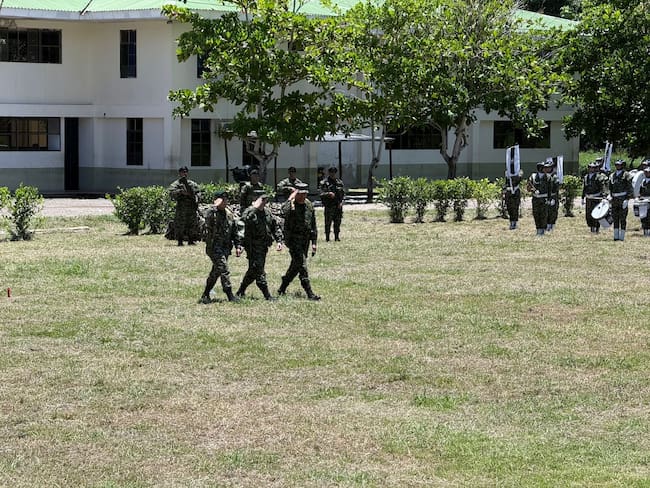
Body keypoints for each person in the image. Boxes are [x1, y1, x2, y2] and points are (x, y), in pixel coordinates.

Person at [198, 191, 244, 304]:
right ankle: (230, 295)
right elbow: (205, 219)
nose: (225, 202)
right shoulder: (211, 212)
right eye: (223, 200)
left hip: (225, 248)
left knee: (216, 272)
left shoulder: (229, 214)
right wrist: (215, 206)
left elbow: (234, 231)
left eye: (226, 200)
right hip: (214, 247)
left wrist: (238, 245)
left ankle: (205, 294)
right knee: (224, 269)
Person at [236, 194, 284, 300]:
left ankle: (240, 291)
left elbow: (274, 226)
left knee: (253, 271)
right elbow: (242, 226)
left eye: (265, 200)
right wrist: (239, 245)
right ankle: (267, 296)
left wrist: (279, 241)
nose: (264, 202)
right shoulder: (249, 212)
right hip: (252, 247)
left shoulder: (267, 212)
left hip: (263, 247)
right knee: (259, 271)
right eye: (262, 200)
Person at [277, 183, 320, 300]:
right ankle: (310, 293)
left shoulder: (309, 205)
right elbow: (282, 212)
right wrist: (290, 199)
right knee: (302, 265)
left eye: (305, 194)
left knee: (296, 266)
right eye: (300, 194)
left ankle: (282, 287)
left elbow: (313, 224)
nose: (303, 196)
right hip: (293, 241)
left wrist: (314, 242)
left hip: (305, 241)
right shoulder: (290, 206)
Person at [168, 166, 201, 246]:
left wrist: (197, 197)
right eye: (183, 172)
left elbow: (199, 192)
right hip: (181, 208)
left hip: (191, 207)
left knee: (192, 223)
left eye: (186, 172)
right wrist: (180, 192)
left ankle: (191, 240)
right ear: (179, 173)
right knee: (180, 224)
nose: (184, 173)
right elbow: (171, 193)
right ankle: (180, 241)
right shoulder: (176, 184)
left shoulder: (192, 183)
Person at [609, 159, 634, 241]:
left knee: (623, 218)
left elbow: (630, 188)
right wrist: (609, 195)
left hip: (623, 198)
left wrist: (627, 199)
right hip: (614, 199)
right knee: (615, 217)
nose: (617, 166)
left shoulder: (626, 175)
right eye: (616, 165)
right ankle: (616, 236)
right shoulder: (612, 175)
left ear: (622, 165)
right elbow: (610, 187)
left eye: (619, 165)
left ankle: (622, 236)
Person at [582, 161, 609, 233]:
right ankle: (591, 228)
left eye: (593, 168)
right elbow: (584, 188)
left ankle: (596, 228)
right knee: (588, 214)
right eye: (590, 168)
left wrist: (604, 196)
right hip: (588, 198)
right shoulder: (586, 177)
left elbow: (602, 187)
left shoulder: (599, 177)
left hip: (596, 198)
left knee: (596, 213)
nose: (591, 169)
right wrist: (582, 197)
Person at [319, 166, 345, 241]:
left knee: (337, 222)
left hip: (338, 206)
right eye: (331, 172)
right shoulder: (324, 183)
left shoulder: (339, 182)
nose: (333, 174)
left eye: (334, 172)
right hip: (329, 206)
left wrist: (342, 202)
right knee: (328, 222)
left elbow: (343, 194)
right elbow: (321, 194)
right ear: (329, 173)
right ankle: (327, 237)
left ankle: (337, 237)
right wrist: (328, 194)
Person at [527, 162, 552, 236]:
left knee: (544, 214)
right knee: (536, 214)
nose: (546, 169)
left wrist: (549, 199)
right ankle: (538, 229)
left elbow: (550, 190)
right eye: (544, 168)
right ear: (540, 168)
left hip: (544, 199)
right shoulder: (533, 176)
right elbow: (528, 188)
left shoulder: (548, 177)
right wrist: (533, 190)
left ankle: (542, 230)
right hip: (536, 199)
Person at [545, 160, 561, 232]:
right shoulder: (544, 176)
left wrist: (553, 197)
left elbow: (555, 188)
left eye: (549, 167)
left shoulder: (554, 177)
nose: (547, 169)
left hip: (553, 196)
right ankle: (546, 225)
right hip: (545, 196)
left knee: (553, 211)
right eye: (546, 167)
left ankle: (551, 225)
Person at [638, 165, 650, 236]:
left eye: (648, 172)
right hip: (643, 201)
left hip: (649, 201)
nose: (647, 173)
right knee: (643, 216)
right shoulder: (643, 181)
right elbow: (640, 192)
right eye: (646, 172)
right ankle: (645, 232)